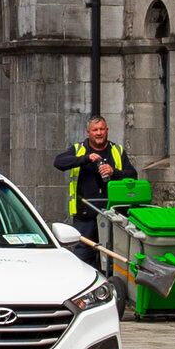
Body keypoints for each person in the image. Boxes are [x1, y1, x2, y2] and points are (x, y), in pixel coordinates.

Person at [52, 114, 136, 267]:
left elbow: (133, 175)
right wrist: (85, 158)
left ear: (107, 130)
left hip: (114, 216)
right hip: (85, 215)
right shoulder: (79, 149)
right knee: (83, 259)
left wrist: (114, 172)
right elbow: (58, 162)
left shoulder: (117, 150)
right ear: (88, 132)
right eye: (95, 130)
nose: (99, 133)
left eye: (102, 129)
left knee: (113, 261)